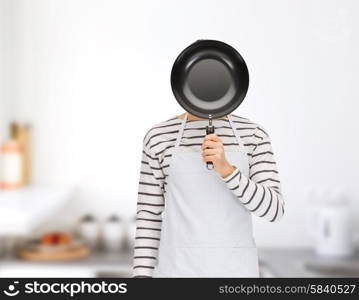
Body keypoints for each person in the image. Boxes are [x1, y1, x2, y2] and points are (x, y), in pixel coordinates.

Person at [133, 112, 284, 277]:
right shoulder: (159, 137)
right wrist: (141, 277)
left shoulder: (253, 135)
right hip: (177, 273)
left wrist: (227, 170)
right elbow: (149, 215)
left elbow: (274, 210)